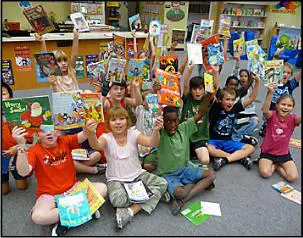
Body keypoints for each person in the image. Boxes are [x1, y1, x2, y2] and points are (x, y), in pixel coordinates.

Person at [12, 125, 107, 236]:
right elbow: (23, 172)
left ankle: (65, 222)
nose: (48, 133)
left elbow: (85, 134)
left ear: (58, 131)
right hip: (49, 196)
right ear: (37, 135)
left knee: (103, 189)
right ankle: (83, 211)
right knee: (38, 216)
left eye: (51, 129)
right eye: (43, 131)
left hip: (73, 189)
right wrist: (21, 146)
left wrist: (89, 123)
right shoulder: (34, 151)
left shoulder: (64, 141)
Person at [86, 106, 168, 229]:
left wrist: (156, 130)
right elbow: (96, 145)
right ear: (108, 123)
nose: (118, 122)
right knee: (117, 200)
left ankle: (130, 211)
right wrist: (91, 133)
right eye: (113, 120)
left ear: (127, 121)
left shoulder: (134, 134)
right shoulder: (106, 137)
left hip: (138, 175)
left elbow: (152, 143)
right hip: (116, 180)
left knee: (163, 183)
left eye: (121, 118)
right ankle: (153, 196)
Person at [156, 91, 216, 215]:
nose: (172, 125)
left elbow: (200, 113)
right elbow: (155, 118)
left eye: (175, 121)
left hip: (185, 169)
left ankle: (183, 200)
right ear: (163, 122)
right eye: (168, 122)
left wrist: (209, 95)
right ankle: (193, 186)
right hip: (168, 175)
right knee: (179, 192)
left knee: (211, 175)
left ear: (179, 120)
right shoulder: (160, 134)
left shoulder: (184, 127)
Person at [207, 73, 260, 171]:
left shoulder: (235, 108)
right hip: (214, 141)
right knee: (208, 149)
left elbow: (251, 98)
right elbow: (213, 90)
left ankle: (225, 160)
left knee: (251, 148)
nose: (230, 102)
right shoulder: (216, 107)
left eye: (232, 100)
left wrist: (257, 81)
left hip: (229, 141)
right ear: (220, 100)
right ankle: (239, 158)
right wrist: (215, 73)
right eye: (227, 99)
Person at [259, 82, 301, 182]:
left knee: (293, 177)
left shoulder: (293, 119)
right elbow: (265, 111)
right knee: (266, 173)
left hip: (283, 154)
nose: (285, 107)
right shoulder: (272, 115)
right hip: (268, 152)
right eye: (283, 104)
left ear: (292, 108)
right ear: (277, 105)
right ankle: (274, 165)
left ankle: (277, 166)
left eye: (289, 105)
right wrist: (270, 93)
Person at [181, 63, 219, 164]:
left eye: (200, 88)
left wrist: (215, 72)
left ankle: (195, 153)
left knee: (205, 160)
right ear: (191, 90)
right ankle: (192, 154)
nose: (197, 92)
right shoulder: (187, 99)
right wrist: (189, 70)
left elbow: (215, 88)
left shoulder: (206, 100)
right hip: (184, 137)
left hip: (200, 138)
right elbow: (185, 85)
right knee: (178, 161)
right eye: (194, 89)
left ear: (204, 90)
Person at [2, 82, 29, 194]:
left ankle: (25, 174)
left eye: (3, 94)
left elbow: (27, 137)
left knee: (22, 186)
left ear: (10, 97)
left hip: (17, 151)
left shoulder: (17, 115)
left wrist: (16, 148)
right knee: (4, 191)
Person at [259, 64, 301, 137]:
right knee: (268, 120)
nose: (285, 74)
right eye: (283, 72)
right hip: (271, 108)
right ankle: (266, 126)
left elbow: (299, 74)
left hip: (283, 109)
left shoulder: (291, 84)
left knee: (280, 122)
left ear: (291, 75)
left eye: (288, 73)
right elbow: (271, 66)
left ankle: (279, 128)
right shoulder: (274, 82)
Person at [35, 28, 80, 92]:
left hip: (76, 101)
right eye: (59, 61)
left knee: (87, 92)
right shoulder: (55, 75)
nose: (63, 63)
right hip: (61, 101)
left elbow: (74, 55)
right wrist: (42, 41)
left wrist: (76, 36)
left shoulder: (71, 71)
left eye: (65, 60)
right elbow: (44, 57)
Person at [135, 92, 159, 171]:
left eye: (152, 99)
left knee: (148, 166)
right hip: (140, 146)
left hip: (152, 146)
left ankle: (156, 162)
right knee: (137, 165)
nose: (149, 101)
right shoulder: (140, 110)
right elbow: (138, 101)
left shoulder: (157, 113)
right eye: (147, 99)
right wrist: (136, 87)